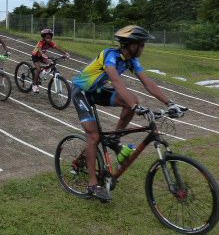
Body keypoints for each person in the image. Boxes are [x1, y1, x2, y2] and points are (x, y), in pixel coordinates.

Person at [70, 25, 187, 201]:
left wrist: (170, 103)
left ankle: (114, 138)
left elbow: (148, 83)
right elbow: (116, 81)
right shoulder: (110, 55)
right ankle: (93, 184)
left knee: (133, 100)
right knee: (93, 136)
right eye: (141, 44)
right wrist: (134, 107)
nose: (143, 48)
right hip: (81, 92)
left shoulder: (132, 60)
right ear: (131, 45)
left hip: (96, 91)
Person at [31, 28, 69, 93]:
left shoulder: (50, 43)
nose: (49, 39)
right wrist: (42, 54)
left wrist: (65, 53)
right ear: (43, 37)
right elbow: (39, 48)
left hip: (42, 56)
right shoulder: (41, 42)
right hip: (36, 56)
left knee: (51, 63)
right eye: (47, 38)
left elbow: (57, 47)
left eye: (50, 38)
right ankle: (34, 85)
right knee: (38, 69)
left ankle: (42, 74)